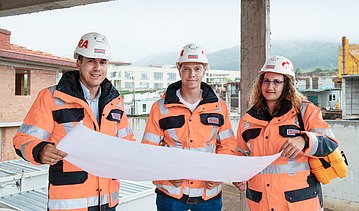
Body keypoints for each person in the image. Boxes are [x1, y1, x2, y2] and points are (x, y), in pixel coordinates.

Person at [13, 32, 134, 211]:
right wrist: (40, 150)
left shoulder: (115, 101)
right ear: (79, 63)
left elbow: (127, 144)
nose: (97, 68)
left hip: (108, 203)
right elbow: (22, 140)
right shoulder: (51, 98)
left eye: (102, 62)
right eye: (91, 61)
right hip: (69, 205)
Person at [141, 44, 239, 211]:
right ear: (179, 69)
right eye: (186, 69)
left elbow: (228, 146)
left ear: (204, 70)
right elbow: (148, 150)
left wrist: (219, 174)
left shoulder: (219, 107)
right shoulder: (160, 107)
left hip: (208, 195)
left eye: (197, 68)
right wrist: (167, 172)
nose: (192, 74)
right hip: (171, 195)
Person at [234, 56, 339, 211]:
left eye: (277, 82)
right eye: (266, 81)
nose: (270, 86)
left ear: (287, 85)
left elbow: (330, 143)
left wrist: (305, 140)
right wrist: (237, 174)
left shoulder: (305, 112)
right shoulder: (247, 120)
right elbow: (241, 154)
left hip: (299, 203)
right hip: (261, 203)